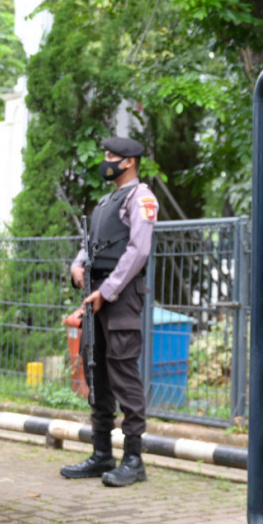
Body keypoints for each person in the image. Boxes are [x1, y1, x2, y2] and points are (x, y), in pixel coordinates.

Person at [63, 136, 158, 487]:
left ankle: (133, 459)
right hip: (95, 297)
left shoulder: (141, 198)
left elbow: (138, 251)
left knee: (122, 373)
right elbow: (89, 246)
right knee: (96, 372)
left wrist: (108, 290)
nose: (105, 161)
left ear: (129, 161)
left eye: (111, 156)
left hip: (121, 295)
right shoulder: (106, 202)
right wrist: (77, 267)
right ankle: (101, 452)